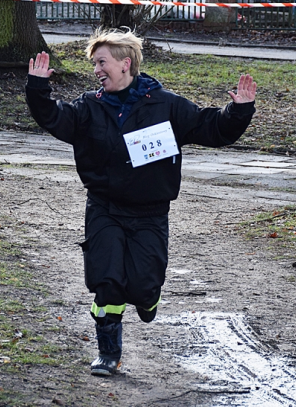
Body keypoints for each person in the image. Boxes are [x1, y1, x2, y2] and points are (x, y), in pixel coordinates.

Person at [25, 28, 256, 376]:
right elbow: (57, 118)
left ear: (125, 63)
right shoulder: (90, 106)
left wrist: (239, 111)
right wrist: (38, 89)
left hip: (149, 213)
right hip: (104, 207)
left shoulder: (165, 104)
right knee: (107, 280)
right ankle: (108, 352)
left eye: (101, 62)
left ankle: (149, 298)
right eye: (94, 64)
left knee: (143, 285)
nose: (96, 70)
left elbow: (210, 128)